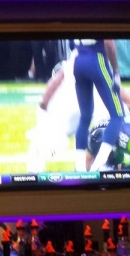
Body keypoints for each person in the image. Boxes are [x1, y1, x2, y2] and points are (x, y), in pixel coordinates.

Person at [25, 46, 130, 173]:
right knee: (103, 131)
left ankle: (37, 173)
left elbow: (49, 92)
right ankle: (103, 166)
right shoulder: (97, 56)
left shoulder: (73, 60)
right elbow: (119, 92)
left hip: (72, 109)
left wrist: (42, 114)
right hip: (97, 107)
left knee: (44, 143)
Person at [73, 39, 125, 172]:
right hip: (96, 59)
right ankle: (97, 166)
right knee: (118, 115)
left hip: (78, 61)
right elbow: (108, 42)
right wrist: (116, 70)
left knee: (85, 116)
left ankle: (80, 167)